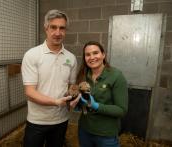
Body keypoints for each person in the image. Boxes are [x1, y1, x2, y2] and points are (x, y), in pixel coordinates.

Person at [21, 9, 78, 147]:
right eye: (53, 27)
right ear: (46, 28)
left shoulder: (71, 58)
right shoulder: (32, 55)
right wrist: (56, 102)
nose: (58, 33)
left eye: (62, 28)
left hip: (61, 120)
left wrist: (75, 95)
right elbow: (29, 92)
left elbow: (71, 86)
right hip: (37, 121)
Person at [76, 41, 128, 147]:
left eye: (95, 53)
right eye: (88, 54)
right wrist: (76, 103)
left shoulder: (116, 76)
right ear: (84, 58)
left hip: (106, 135)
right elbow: (80, 100)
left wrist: (96, 106)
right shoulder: (83, 75)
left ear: (103, 55)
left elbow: (121, 110)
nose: (92, 57)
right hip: (84, 131)